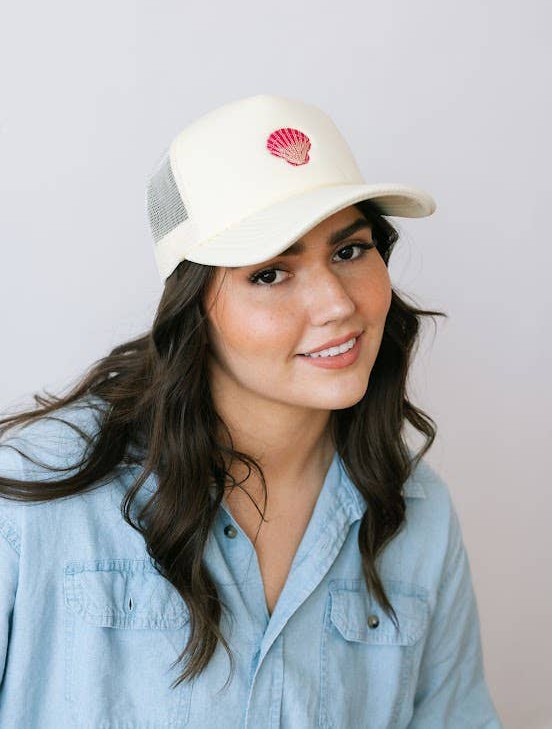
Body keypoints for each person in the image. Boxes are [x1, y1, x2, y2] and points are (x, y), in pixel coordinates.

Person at [0, 94, 503, 727]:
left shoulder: (417, 513)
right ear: (192, 305)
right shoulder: (32, 497)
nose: (336, 305)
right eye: (269, 274)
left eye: (349, 251)